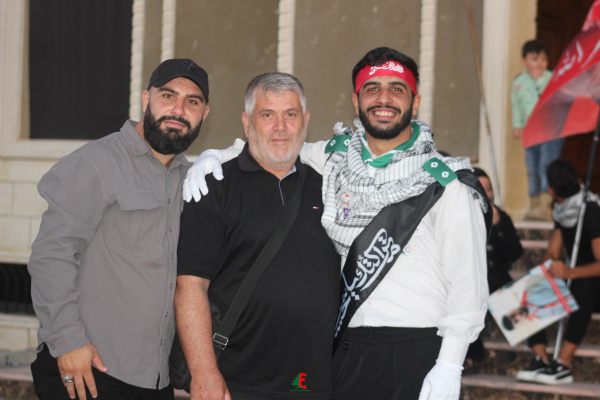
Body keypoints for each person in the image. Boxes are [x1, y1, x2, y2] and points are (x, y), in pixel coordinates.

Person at [182, 47, 491, 400]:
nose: (384, 99)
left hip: (416, 348)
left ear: (415, 102)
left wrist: (449, 365)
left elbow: (468, 284)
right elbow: (277, 144)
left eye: (397, 88)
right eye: (372, 89)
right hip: (345, 354)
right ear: (356, 102)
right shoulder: (335, 161)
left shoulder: (446, 183)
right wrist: (213, 156)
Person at [28, 58, 211, 400]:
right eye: (168, 96)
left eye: (192, 102)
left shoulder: (191, 180)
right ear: (145, 99)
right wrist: (68, 341)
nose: (178, 110)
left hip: (154, 380)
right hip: (89, 370)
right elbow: (51, 255)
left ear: (204, 114)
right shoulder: (96, 162)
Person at [175, 72, 340, 400]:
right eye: (267, 115)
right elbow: (190, 286)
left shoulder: (330, 189)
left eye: (290, 114)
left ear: (305, 121)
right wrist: (204, 373)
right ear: (247, 122)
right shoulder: (213, 188)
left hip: (315, 383)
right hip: (235, 383)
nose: (281, 127)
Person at [516, 159, 600, 385]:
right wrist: (549, 266)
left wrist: (569, 272)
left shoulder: (591, 211)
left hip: (593, 284)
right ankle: (541, 358)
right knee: (531, 284)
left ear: (550, 190)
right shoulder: (563, 211)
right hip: (575, 276)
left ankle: (563, 364)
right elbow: (552, 251)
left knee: (584, 288)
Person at [465, 168, 523, 373]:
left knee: (525, 300)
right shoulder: (460, 214)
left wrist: (498, 225)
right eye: (481, 188)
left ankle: (540, 355)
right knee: (467, 300)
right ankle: (472, 356)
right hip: (470, 280)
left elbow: (514, 254)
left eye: (489, 189)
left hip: (496, 279)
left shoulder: (499, 216)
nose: (486, 194)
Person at [511, 39, 563, 221]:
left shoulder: (551, 78)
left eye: (543, 59)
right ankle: (533, 204)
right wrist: (517, 125)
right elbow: (516, 105)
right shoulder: (519, 81)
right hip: (530, 132)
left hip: (550, 131)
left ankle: (545, 206)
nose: (539, 63)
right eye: (534, 59)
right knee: (532, 167)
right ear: (524, 61)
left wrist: (540, 80)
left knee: (546, 166)